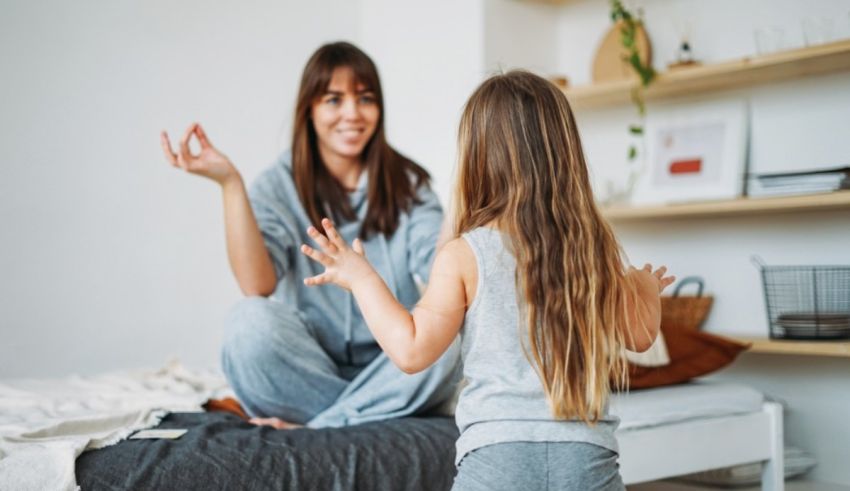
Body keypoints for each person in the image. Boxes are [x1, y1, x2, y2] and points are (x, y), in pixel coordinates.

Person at [298, 70, 675, 490]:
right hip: (585, 456)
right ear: (566, 153)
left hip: (498, 457)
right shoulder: (594, 249)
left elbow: (411, 350)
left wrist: (363, 278)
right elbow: (640, 336)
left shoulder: (465, 254)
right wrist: (644, 288)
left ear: (477, 159)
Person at [159, 41, 460, 429]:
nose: (352, 114)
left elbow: (441, 271)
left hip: (395, 361)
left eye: (365, 98)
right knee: (247, 321)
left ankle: (320, 429)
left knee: (453, 331)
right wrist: (230, 185)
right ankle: (366, 413)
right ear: (310, 109)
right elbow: (257, 283)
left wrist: (463, 204)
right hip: (309, 367)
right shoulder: (277, 184)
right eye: (334, 100)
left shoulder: (410, 183)